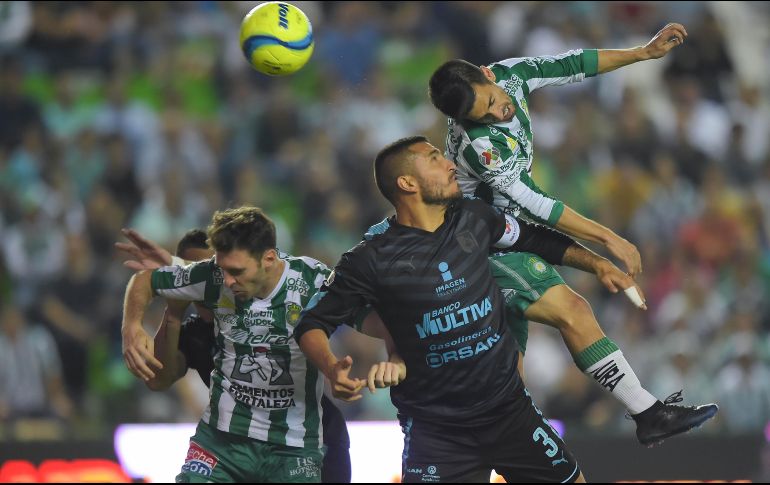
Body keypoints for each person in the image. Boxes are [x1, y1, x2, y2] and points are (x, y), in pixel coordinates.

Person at [427, 23, 717, 445]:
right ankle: (647, 412)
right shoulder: (479, 146)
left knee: (508, 371)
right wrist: (608, 240)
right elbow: (536, 205)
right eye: (481, 116)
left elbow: (573, 64)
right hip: (479, 244)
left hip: (506, 235)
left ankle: (483, 449)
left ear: (488, 75)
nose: (495, 114)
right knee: (573, 310)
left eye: (491, 103)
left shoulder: (512, 73)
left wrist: (643, 52)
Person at [295, 136, 608, 483]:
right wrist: (331, 367)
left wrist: (598, 262)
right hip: (437, 436)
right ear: (407, 183)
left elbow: (535, 238)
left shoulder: (473, 217)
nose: (450, 165)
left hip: (510, 415)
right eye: (434, 159)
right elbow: (312, 322)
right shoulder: (369, 259)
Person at [122, 207, 336, 483]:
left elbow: (362, 311)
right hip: (222, 442)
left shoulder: (308, 280)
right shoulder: (203, 308)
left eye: (234, 271)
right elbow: (148, 281)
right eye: (222, 271)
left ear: (267, 259)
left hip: (298, 445)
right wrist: (136, 325)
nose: (227, 281)